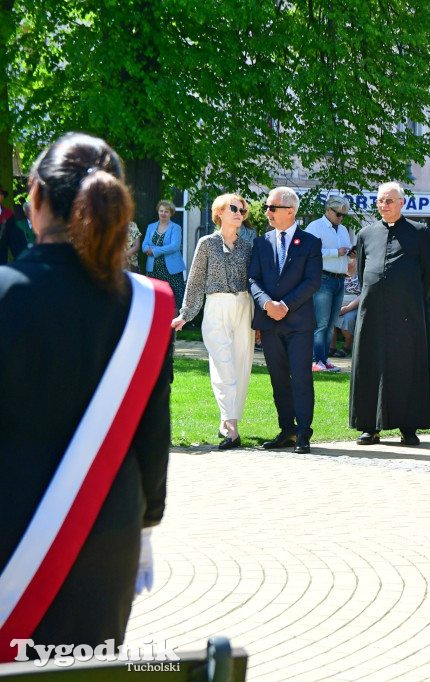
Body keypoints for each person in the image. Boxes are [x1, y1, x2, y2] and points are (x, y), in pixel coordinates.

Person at [0, 133, 173, 660]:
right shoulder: (144, 306)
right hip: (106, 534)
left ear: (35, 198)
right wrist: (147, 524)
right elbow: (152, 434)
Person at [349, 182, 430, 446]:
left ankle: (408, 427)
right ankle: (369, 426)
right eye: (379, 201)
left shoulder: (419, 232)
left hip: (407, 313)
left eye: (389, 201)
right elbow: (363, 273)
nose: (383, 205)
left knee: (407, 366)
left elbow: (426, 273)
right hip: (373, 312)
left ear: (401, 203)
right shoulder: (365, 234)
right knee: (370, 363)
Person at [171, 193, 255, 450]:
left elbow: (254, 284)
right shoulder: (206, 244)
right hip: (216, 306)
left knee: (241, 367)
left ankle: (228, 420)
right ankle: (232, 429)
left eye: (242, 209)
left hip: (243, 307)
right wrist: (186, 314)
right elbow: (195, 281)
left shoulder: (247, 246)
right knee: (223, 366)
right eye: (234, 208)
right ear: (219, 212)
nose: (239, 212)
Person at [249, 187, 322, 454]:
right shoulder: (261, 242)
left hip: (299, 323)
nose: (267, 212)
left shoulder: (311, 242)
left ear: (289, 211)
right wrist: (267, 304)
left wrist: (285, 305)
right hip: (269, 322)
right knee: (278, 378)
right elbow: (253, 279)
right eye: (267, 207)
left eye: (272, 207)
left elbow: (312, 281)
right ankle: (286, 431)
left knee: (301, 377)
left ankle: (303, 432)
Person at [304, 196, 351, 372]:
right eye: (338, 214)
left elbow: (343, 252)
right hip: (323, 279)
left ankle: (323, 360)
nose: (341, 218)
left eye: (343, 215)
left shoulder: (343, 229)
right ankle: (316, 360)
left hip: (340, 279)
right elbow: (309, 251)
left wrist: (349, 254)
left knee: (331, 323)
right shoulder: (315, 227)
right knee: (321, 323)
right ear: (328, 210)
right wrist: (335, 252)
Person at [142, 200, 185, 313]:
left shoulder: (176, 228)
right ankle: (159, 326)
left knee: (174, 299)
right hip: (154, 269)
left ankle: (173, 329)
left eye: (166, 211)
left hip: (172, 270)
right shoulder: (151, 227)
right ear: (158, 212)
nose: (163, 213)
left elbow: (174, 246)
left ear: (171, 213)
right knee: (157, 297)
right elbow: (144, 246)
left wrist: (155, 250)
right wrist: (149, 249)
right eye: (161, 211)